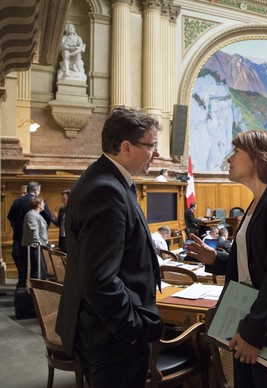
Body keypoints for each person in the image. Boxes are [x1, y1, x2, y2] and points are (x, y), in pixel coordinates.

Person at [183, 130, 267, 387]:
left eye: (236, 151)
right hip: (249, 314)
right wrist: (215, 259)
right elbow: (252, 263)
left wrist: (254, 332)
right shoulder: (257, 202)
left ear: (259, 157)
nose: (229, 159)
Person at [56, 106, 164, 387]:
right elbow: (100, 278)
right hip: (110, 337)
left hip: (103, 329)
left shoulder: (109, 180)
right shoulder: (106, 190)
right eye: (152, 146)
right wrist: (131, 328)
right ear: (126, 147)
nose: (158, 154)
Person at [7, 181, 52, 288]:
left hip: (19, 238)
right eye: (39, 190)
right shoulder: (38, 203)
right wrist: (43, 229)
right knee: (36, 266)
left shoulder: (18, 201)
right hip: (34, 241)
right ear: (36, 191)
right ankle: (33, 291)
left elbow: (10, 217)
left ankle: (22, 286)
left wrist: (17, 228)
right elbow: (49, 217)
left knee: (23, 265)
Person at [21, 196, 49, 280]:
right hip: (34, 246)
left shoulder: (36, 214)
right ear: (39, 204)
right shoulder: (32, 215)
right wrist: (38, 243)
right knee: (37, 269)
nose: (44, 205)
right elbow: (34, 231)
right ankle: (36, 291)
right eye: (43, 203)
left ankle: (39, 290)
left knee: (40, 269)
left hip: (38, 246)